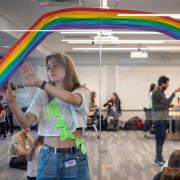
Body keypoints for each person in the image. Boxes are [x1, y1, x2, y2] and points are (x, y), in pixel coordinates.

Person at [1, 53, 90, 179]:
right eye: (48, 67)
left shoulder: (81, 92)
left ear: (68, 68)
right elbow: (26, 122)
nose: (51, 69)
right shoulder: (42, 95)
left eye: (55, 65)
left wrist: (39, 82)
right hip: (48, 157)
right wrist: (10, 101)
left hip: (75, 157)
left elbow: (71, 99)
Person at [152, 76, 180, 166]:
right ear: (163, 83)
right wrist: (174, 92)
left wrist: (168, 105)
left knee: (161, 138)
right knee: (160, 139)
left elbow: (164, 104)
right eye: (167, 83)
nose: (168, 85)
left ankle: (159, 158)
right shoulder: (157, 92)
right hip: (159, 119)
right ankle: (158, 159)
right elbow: (164, 103)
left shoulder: (161, 92)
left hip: (162, 118)